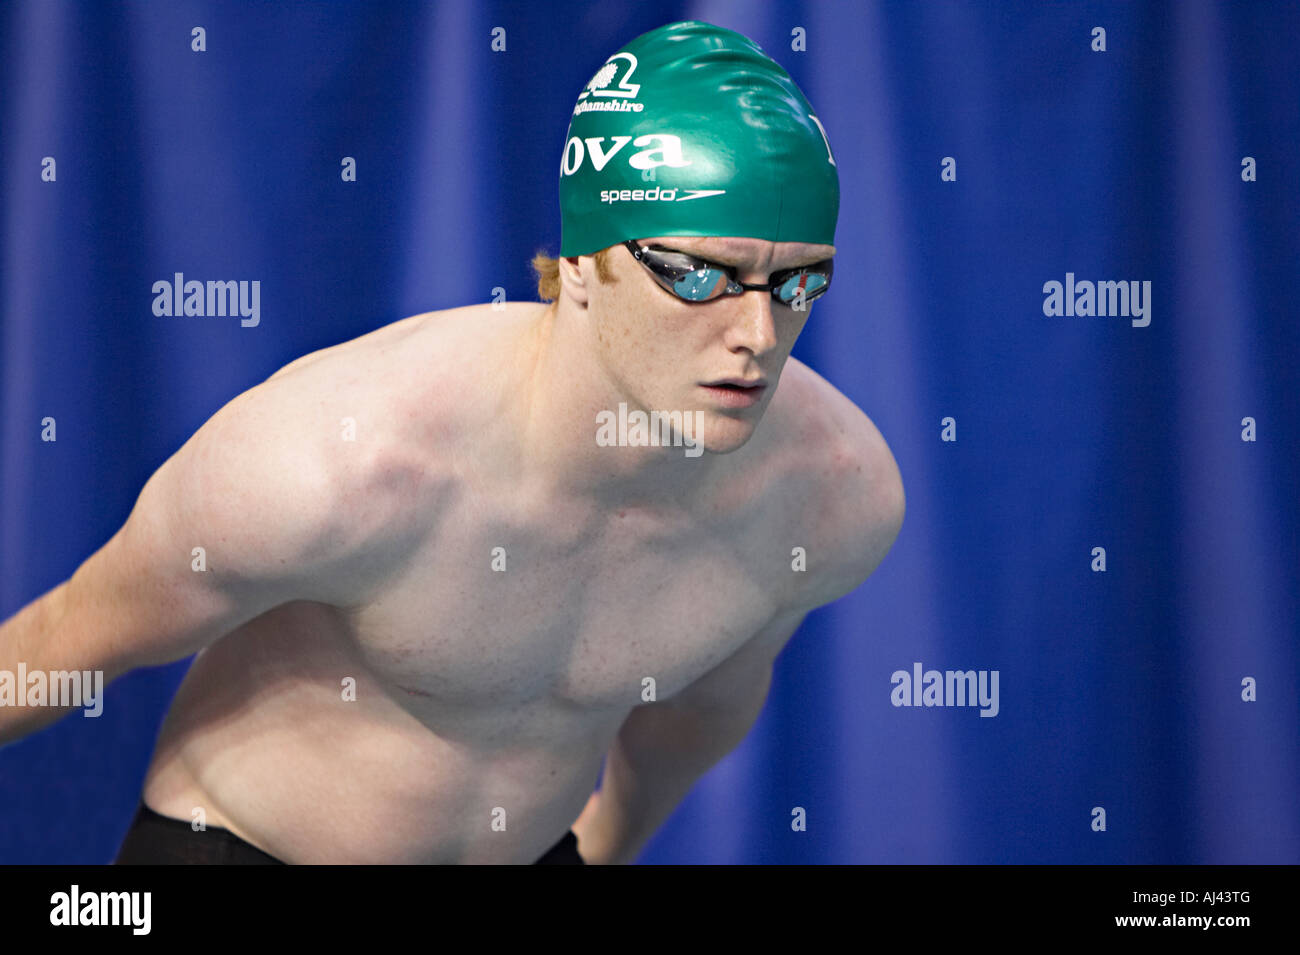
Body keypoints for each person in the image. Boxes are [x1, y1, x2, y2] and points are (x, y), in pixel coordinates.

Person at [0, 19, 903, 864]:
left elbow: (696, 713)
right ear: (585, 262)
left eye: (796, 282)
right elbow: (64, 645)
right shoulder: (340, 464)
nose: (756, 332)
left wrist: (604, 848)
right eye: (701, 273)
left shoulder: (826, 493)